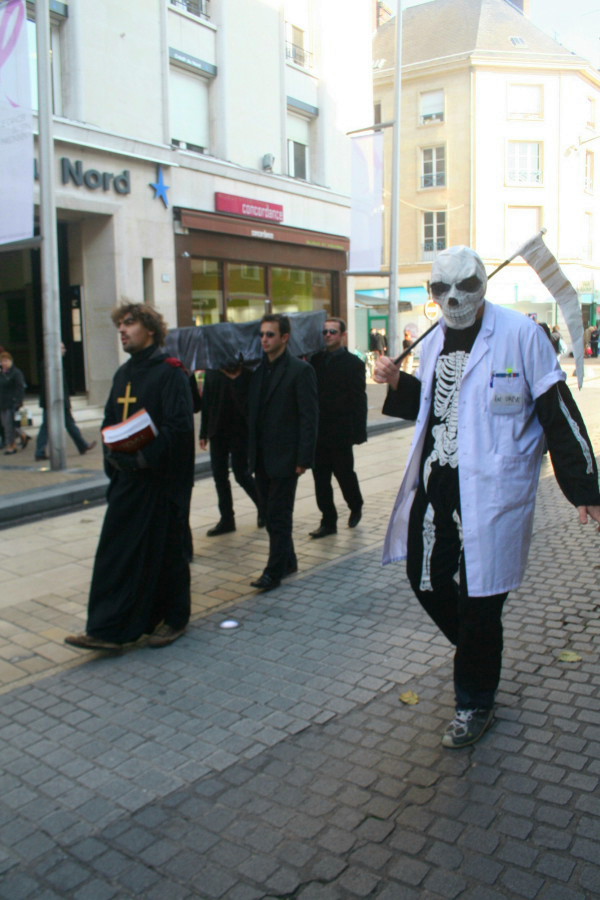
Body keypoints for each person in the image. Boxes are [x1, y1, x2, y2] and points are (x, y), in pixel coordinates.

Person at [375, 245, 600, 749]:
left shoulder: (520, 335)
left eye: (466, 286)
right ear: (433, 294)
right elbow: (438, 408)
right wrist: (397, 383)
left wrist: (585, 487)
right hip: (439, 482)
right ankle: (479, 650)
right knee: (426, 578)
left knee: (480, 601)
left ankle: (474, 699)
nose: (454, 298)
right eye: (441, 289)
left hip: (493, 487)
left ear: (483, 285)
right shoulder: (433, 341)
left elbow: (556, 410)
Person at [65, 302, 195, 651]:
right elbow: (110, 421)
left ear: (150, 329)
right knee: (117, 552)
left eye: (130, 324)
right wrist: (114, 453)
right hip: (128, 480)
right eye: (119, 325)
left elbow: (180, 429)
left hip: (161, 481)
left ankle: (174, 619)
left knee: (167, 550)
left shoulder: (171, 372)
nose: (122, 330)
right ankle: (109, 628)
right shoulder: (123, 374)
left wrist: (144, 456)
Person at [247, 313, 318, 591]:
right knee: (269, 511)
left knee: (278, 516)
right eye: (262, 334)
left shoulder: (300, 371)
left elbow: (309, 417)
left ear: (285, 338)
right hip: (262, 457)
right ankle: (288, 560)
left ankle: (272, 572)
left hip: (287, 458)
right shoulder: (257, 372)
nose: (264, 339)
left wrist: (303, 458)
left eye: (270, 334)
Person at [308, 317, 367, 538]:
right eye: (324, 332)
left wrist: (359, 432)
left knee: (344, 474)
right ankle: (328, 521)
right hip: (318, 431)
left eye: (332, 332)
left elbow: (359, 398)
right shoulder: (314, 361)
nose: (328, 336)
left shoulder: (354, 364)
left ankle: (355, 504)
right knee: (320, 478)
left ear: (342, 335)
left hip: (341, 430)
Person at [200, 365, 263, 535]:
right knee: (219, 477)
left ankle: (264, 507)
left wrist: (236, 379)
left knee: (241, 473)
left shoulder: (247, 374)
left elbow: (252, 403)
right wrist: (203, 432)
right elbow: (206, 403)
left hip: (239, 430)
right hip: (217, 431)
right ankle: (227, 519)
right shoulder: (212, 373)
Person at [35, 343, 96, 460]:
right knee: (50, 426)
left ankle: (82, 445)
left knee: (67, 424)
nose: (65, 350)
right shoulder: (50, 365)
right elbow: (55, 386)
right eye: (62, 348)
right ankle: (40, 452)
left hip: (57, 401)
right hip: (55, 402)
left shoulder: (53, 363)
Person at [0, 352, 26, 455]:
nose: (4, 363)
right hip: (2, 402)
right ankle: (23, 435)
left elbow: (20, 387)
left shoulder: (16, 373)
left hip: (11, 402)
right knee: (7, 424)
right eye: (2, 361)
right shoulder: (2, 373)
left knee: (9, 426)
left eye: (6, 361)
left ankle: (12, 446)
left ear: (11, 361)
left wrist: (19, 401)